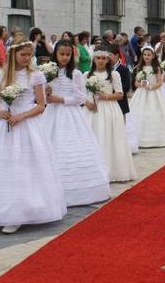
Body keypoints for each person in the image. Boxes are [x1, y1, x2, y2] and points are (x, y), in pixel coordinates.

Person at [0, 35, 65, 234]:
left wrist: (21, 116)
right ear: (13, 54)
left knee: (26, 166)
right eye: (23, 55)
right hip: (3, 126)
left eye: (30, 55)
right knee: (4, 165)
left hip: (27, 126)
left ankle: (24, 210)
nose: (27, 58)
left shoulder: (36, 76)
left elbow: (41, 105)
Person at [43, 40, 110, 206]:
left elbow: (80, 97)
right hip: (51, 114)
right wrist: (47, 93)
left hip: (70, 114)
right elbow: (41, 96)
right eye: (61, 54)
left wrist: (61, 99)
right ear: (55, 54)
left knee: (72, 146)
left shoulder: (76, 74)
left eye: (67, 54)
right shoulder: (47, 72)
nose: (64, 57)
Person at [86, 47, 137, 182]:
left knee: (110, 137)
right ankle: (95, 170)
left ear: (108, 59)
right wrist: (88, 103)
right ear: (94, 59)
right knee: (95, 136)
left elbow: (120, 94)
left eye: (104, 58)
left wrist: (105, 96)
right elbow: (82, 94)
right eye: (98, 58)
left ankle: (113, 170)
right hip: (92, 110)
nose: (101, 61)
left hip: (109, 109)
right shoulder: (87, 75)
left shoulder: (114, 74)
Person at [130, 45, 165, 148]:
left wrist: (150, 86)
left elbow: (159, 82)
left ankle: (156, 139)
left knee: (155, 111)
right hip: (141, 93)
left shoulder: (157, 68)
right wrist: (142, 85)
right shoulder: (139, 67)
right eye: (145, 55)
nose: (146, 57)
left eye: (149, 55)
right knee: (140, 113)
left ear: (153, 56)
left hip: (153, 92)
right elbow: (136, 83)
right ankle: (139, 139)